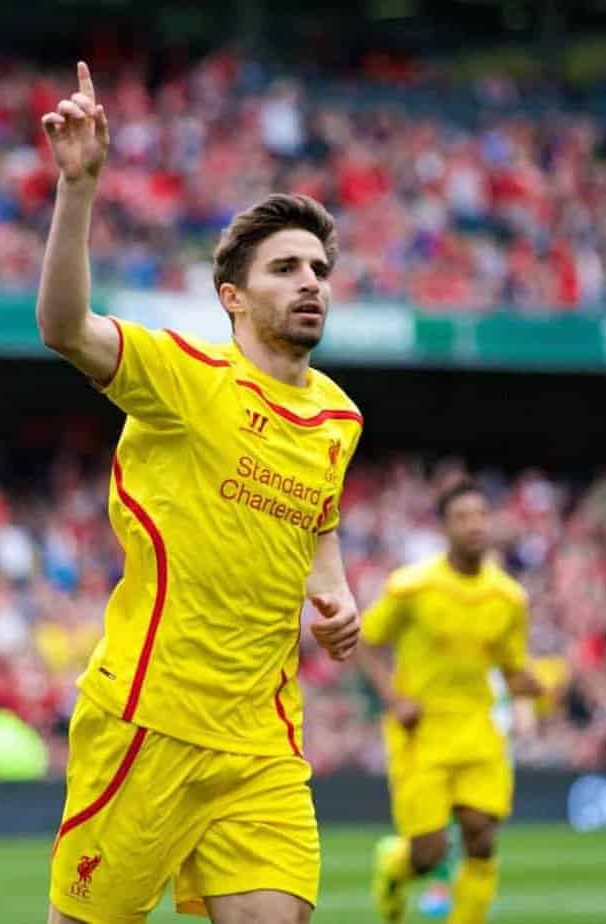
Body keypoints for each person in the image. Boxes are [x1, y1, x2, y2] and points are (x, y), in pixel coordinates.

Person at [37, 61, 364, 924]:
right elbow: (65, 329)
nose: (310, 282)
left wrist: (333, 591)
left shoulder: (338, 415)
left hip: (263, 740)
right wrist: (79, 190)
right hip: (150, 722)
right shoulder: (186, 378)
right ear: (232, 297)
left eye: (319, 268)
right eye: (286, 268)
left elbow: (319, 522)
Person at [358, 479, 547, 924]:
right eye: (462, 517)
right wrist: (393, 699)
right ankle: (394, 866)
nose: (474, 525)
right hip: (421, 730)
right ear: (444, 528)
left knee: (481, 836)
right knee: (429, 852)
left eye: (481, 516)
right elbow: (365, 642)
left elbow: (511, 667)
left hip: (478, 726)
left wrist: (535, 685)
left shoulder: (509, 598)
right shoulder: (412, 587)